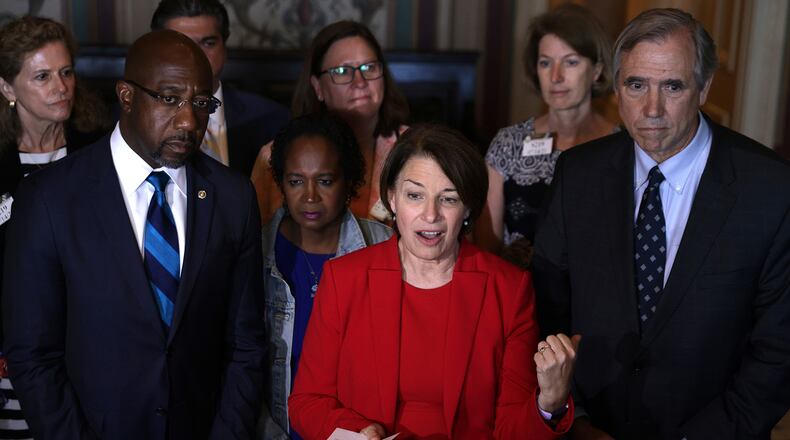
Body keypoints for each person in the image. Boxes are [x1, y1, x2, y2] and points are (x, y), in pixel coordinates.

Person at [533, 8, 790, 440]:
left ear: (704, 87)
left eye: (672, 86)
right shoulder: (578, 174)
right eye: (636, 85)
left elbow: (779, 356)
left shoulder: (771, 190)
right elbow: (546, 311)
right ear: (616, 87)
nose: (651, 108)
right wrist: (571, 418)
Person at [2, 30, 266, 439]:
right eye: (170, 98)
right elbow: (33, 353)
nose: (188, 121)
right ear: (126, 96)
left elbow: (245, 344)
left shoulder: (232, 197)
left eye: (201, 103)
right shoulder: (50, 198)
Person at [288, 124, 579, 440]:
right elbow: (308, 403)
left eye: (449, 199)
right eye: (415, 195)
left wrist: (550, 403)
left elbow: (511, 430)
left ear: (468, 207)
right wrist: (361, 433)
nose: (430, 215)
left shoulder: (509, 290)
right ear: (392, 198)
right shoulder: (344, 279)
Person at [0, 15, 111, 439]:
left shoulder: (101, 147)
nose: (61, 87)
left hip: (94, 353)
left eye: (66, 72)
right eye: (42, 76)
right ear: (8, 88)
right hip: (12, 361)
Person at [257, 113, 392, 439]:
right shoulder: (257, 252)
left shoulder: (385, 247)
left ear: (348, 181)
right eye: (296, 181)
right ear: (281, 182)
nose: (310, 196)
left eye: (325, 180)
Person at [476, 3, 617, 259]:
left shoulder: (623, 146)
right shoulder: (508, 143)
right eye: (545, 63)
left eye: (571, 62)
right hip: (519, 291)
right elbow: (486, 250)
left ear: (596, 70)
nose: (556, 76)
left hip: (594, 295)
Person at [251, 20, 409, 225]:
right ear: (317, 87)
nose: (360, 82)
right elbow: (255, 238)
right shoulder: (273, 157)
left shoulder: (414, 150)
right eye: (342, 72)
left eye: (369, 67)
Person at [151, 0, 290, 176]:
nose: (196, 55)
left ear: (224, 47)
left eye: (208, 43)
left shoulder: (274, 119)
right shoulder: (124, 121)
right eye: (181, 44)